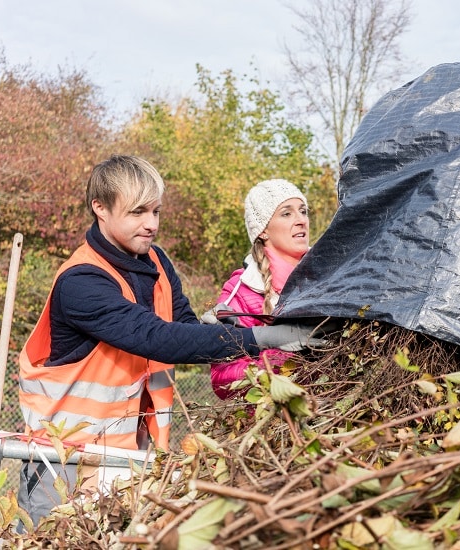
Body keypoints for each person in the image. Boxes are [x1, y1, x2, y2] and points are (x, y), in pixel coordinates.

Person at [17, 156, 320, 525]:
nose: (151, 224)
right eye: (138, 212)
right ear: (100, 207)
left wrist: (216, 326)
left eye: (157, 211)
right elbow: (157, 338)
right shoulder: (81, 282)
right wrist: (267, 336)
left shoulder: (156, 262)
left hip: (132, 457)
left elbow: (185, 327)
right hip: (65, 461)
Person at [203, 179, 311, 399]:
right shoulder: (243, 290)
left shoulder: (331, 275)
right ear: (263, 231)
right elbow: (221, 379)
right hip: (279, 423)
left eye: (303, 211)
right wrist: (284, 357)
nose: (301, 220)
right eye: (286, 213)